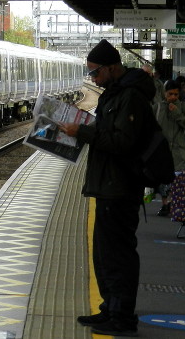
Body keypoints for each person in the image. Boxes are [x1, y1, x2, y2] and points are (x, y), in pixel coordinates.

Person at [60, 39, 156, 337]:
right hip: (107, 185)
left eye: (95, 73)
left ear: (112, 67)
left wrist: (83, 131)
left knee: (118, 255)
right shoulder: (115, 93)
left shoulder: (131, 96)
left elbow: (123, 142)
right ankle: (109, 309)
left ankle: (122, 317)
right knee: (103, 253)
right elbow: (107, 134)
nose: (93, 79)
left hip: (120, 186)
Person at [153, 80, 185, 216]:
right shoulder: (158, 107)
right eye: (170, 94)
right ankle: (165, 204)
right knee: (162, 179)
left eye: (176, 94)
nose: (173, 97)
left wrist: (177, 113)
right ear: (164, 93)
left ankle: (174, 203)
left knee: (177, 180)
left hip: (179, 151)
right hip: (162, 150)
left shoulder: (183, 107)